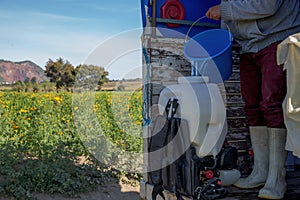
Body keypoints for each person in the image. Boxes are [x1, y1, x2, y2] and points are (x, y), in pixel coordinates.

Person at [206, 1, 300, 199]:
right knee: (252, 107)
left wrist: (223, 11)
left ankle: (277, 178)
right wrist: (226, 30)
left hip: (277, 37)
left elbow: (268, 6)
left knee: (272, 105)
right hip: (248, 45)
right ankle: (261, 172)